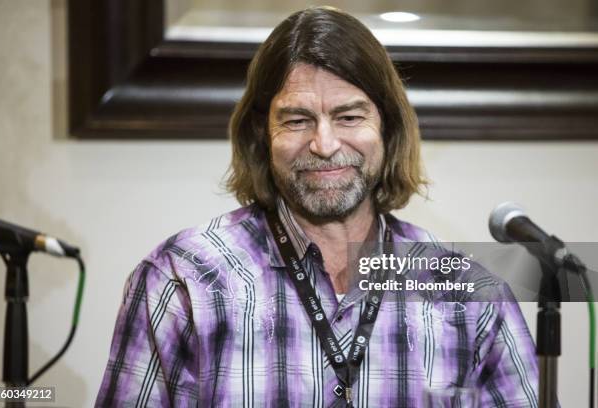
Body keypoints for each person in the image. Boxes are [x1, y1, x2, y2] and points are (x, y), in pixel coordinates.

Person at [96, 7, 538, 407]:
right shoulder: (180, 281)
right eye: (296, 120)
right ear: (261, 134)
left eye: (349, 117)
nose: (324, 145)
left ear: (388, 129)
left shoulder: (472, 295)